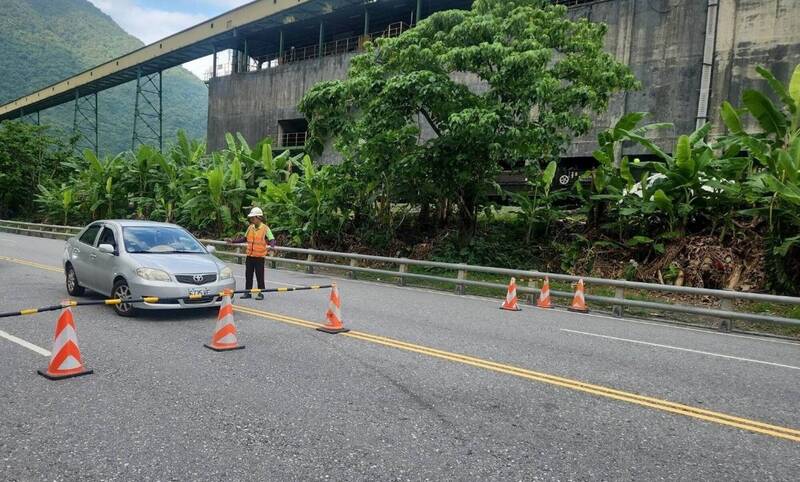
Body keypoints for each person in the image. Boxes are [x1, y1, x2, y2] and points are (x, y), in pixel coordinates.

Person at [226, 207, 276, 300]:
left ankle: (261, 293)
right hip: (250, 256)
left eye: (253, 218)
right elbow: (244, 239)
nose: (252, 220)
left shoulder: (265, 229)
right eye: (251, 218)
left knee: (259, 276)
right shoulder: (250, 227)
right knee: (248, 275)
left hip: (259, 257)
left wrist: (272, 247)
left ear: (259, 218)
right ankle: (247, 292)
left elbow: (272, 239)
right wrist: (232, 241)